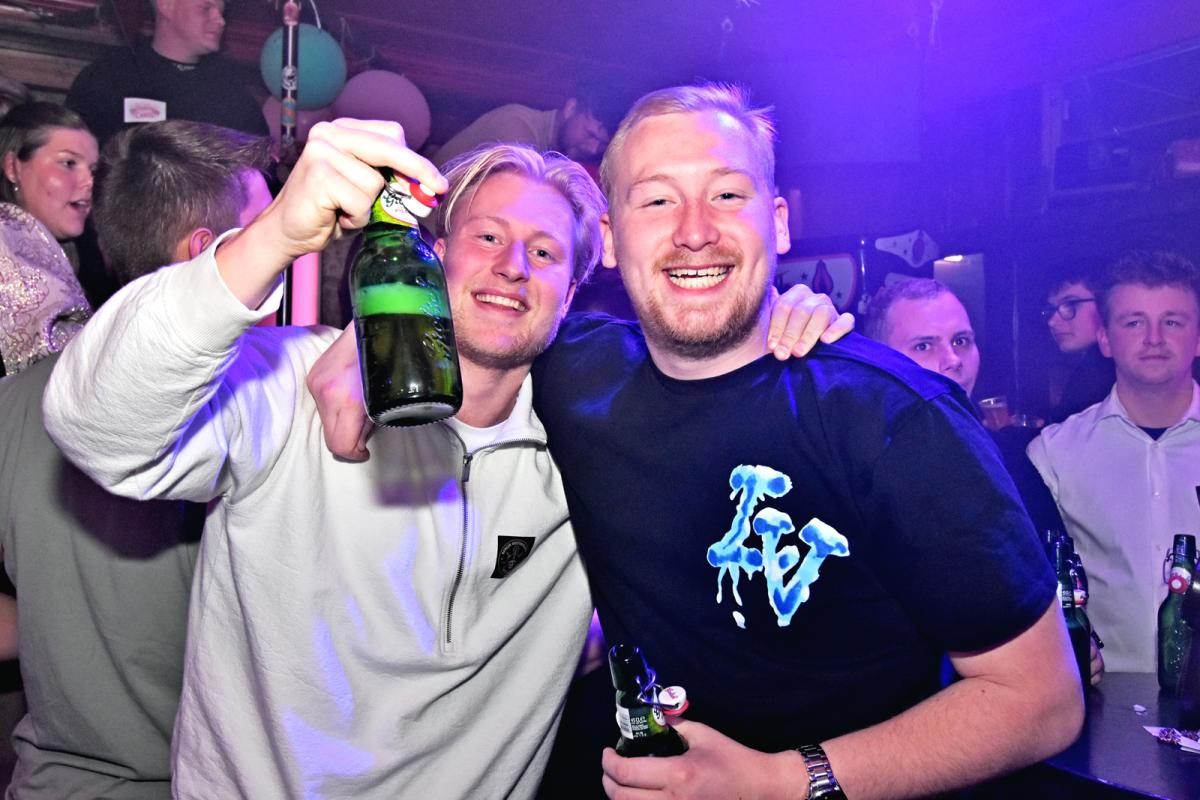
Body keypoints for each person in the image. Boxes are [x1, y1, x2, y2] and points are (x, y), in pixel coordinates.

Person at [309, 85, 1084, 799]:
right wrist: (369, 342)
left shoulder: (895, 418)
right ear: (610, 238)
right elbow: (489, 317)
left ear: (778, 222)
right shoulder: (574, 372)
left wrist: (783, 782)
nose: (694, 232)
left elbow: (1042, 701)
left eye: (726, 195)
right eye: (656, 201)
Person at [0, 119, 271, 799]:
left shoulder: (12, 401)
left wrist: (65, 638)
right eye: (273, 237)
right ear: (207, 253)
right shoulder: (251, 404)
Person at [1029, 250, 1200, 674]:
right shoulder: (1055, 453)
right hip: (1105, 696)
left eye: (1173, 322)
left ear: (1198, 338)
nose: (1154, 338)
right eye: (1134, 323)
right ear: (1105, 339)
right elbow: (1031, 587)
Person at [65, 0, 267, 147]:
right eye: (206, 8)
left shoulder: (230, 91)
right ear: (166, 5)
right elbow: (74, 154)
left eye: (222, 11)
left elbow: (259, 168)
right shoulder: (110, 76)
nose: (220, 21)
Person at [0, 102, 96, 376]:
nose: (89, 181)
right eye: (68, 163)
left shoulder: (70, 254)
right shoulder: (7, 238)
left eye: (93, 169)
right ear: (13, 168)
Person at [433, 95, 610, 169]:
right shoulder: (517, 125)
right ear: (571, 108)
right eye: (590, 134)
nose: (593, 149)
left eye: (602, 145)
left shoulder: (550, 151)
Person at [1043, 268, 1114, 423]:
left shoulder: (1104, 370)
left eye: (1070, 305)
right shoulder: (1093, 364)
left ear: (1106, 303)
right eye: (1052, 310)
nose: (1052, 322)